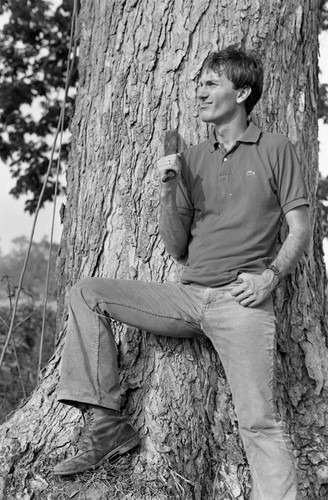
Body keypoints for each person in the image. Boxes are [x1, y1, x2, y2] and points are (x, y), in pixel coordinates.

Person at [54, 46, 310, 500]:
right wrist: (168, 186)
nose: (200, 91)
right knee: (86, 292)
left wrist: (270, 277)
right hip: (187, 297)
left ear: (243, 91)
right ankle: (107, 422)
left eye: (212, 83)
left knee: (258, 421)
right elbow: (176, 246)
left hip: (241, 302)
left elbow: (301, 227)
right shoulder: (191, 158)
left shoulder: (275, 147)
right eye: (199, 83)